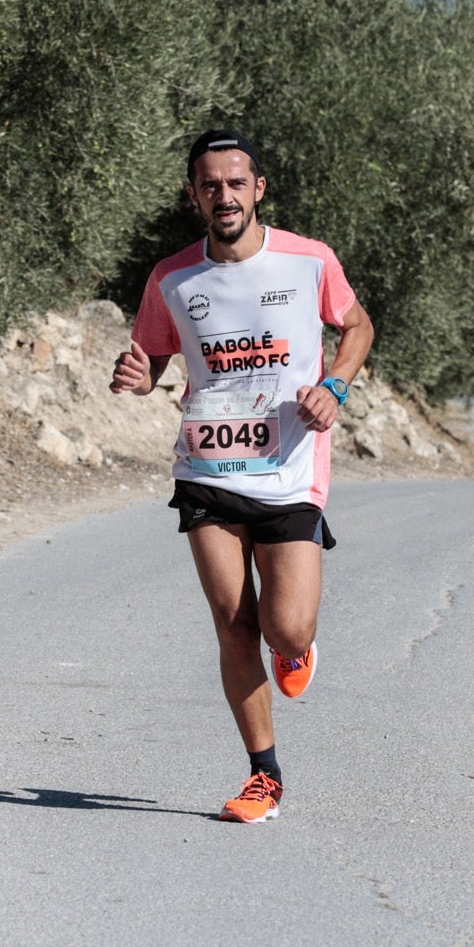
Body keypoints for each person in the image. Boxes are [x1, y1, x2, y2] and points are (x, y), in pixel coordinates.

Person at [109, 130, 374, 824]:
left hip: (288, 471)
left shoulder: (309, 261)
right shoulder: (171, 277)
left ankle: (296, 647)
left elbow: (358, 325)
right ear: (192, 194)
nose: (223, 196)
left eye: (235, 183)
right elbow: (153, 360)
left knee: (284, 628)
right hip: (207, 468)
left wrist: (335, 387)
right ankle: (264, 774)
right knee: (233, 622)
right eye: (209, 184)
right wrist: (139, 378)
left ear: (258, 189)